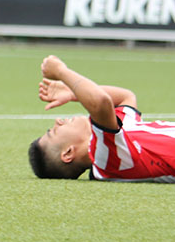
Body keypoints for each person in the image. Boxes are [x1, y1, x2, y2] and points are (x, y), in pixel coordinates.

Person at [28, 54, 175, 181]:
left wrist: (72, 94)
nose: (57, 121)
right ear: (68, 153)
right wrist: (61, 71)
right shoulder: (106, 159)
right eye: (53, 132)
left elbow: (125, 97)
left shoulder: (116, 139)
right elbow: (101, 103)